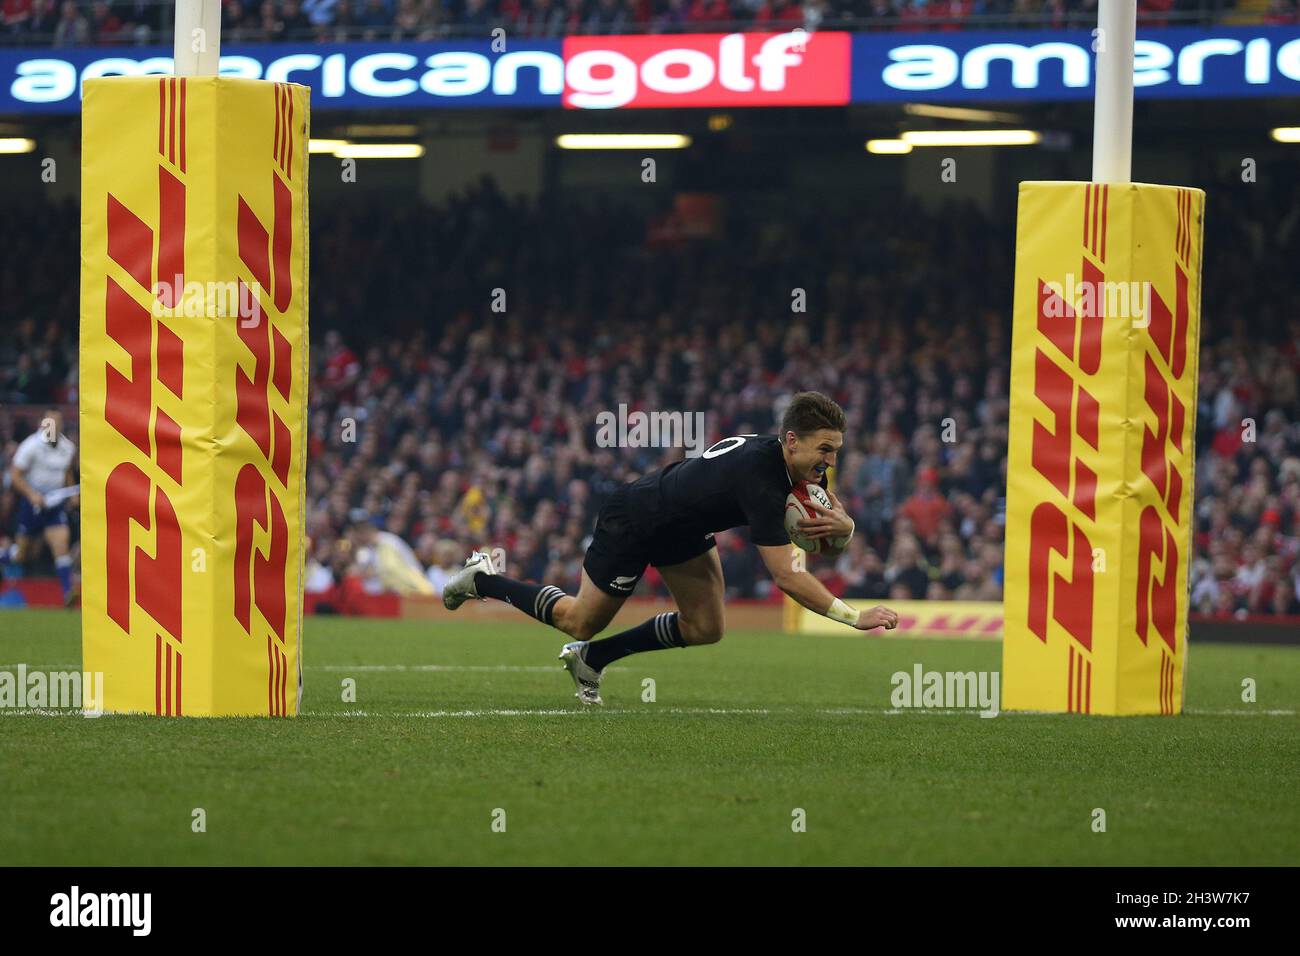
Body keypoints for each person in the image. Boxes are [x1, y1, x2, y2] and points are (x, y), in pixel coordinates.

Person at [442, 391, 899, 704]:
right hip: (637, 519)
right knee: (578, 620)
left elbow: (823, 546)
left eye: (836, 451)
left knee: (705, 626)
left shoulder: (802, 468)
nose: (831, 462)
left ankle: (593, 659)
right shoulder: (760, 480)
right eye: (825, 449)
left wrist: (847, 528)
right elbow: (787, 575)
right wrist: (854, 616)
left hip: (681, 528)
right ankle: (482, 578)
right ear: (792, 441)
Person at [7, 408, 78, 603]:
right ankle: (6, 554)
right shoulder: (30, 446)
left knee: (60, 545)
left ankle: (67, 592)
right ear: (42, 424)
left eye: (56, 423)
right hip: (32, 505)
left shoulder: (68, 448)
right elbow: (15, 475)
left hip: (54, 505)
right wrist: (32, 494)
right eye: (49, 423)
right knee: (22, 555)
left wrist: (71, 492)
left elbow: (67, 473)